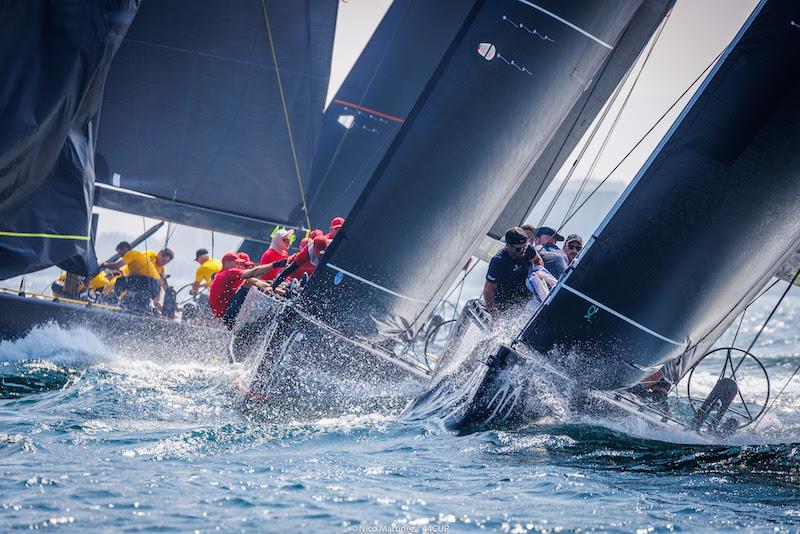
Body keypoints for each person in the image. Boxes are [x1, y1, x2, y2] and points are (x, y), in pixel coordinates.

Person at [209, 252, 287, 328]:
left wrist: (271, 285)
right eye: (236, 263)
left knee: (251, 283)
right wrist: (275, 265)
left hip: (225, 317)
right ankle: (284, 295)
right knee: (249, 282)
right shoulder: (229, 272)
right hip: (229, 314)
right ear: (227, 263)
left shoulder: (221, 274)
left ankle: (280, 294)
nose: (238, 266)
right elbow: (254, 273)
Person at [101, 242, 173, 311]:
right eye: (164, 261)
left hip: (146, 282)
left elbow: (116, 265)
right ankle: (141, 309)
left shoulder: (130, 253)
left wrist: (104, 264)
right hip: (150, 285)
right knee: (134, 298)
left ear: (124, 249)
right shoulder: (148, 255)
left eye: (120, 253)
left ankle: (110, 301)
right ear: (160, 253)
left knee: (120, 282)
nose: (120, 256)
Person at [483, 227, 533, 317]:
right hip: (504, 303)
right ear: (508, 246)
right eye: (518, 249)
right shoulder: (498, 261)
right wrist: (495, 316)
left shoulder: (527, 248)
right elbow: (488, 290)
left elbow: (538, 260)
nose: (522, 250)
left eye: (524, 247)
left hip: (524, 298)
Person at [525, 248, 557, 313]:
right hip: (535, 305)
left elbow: (554, 283)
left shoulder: (538, 271)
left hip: (546, 302)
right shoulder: (532, 276)